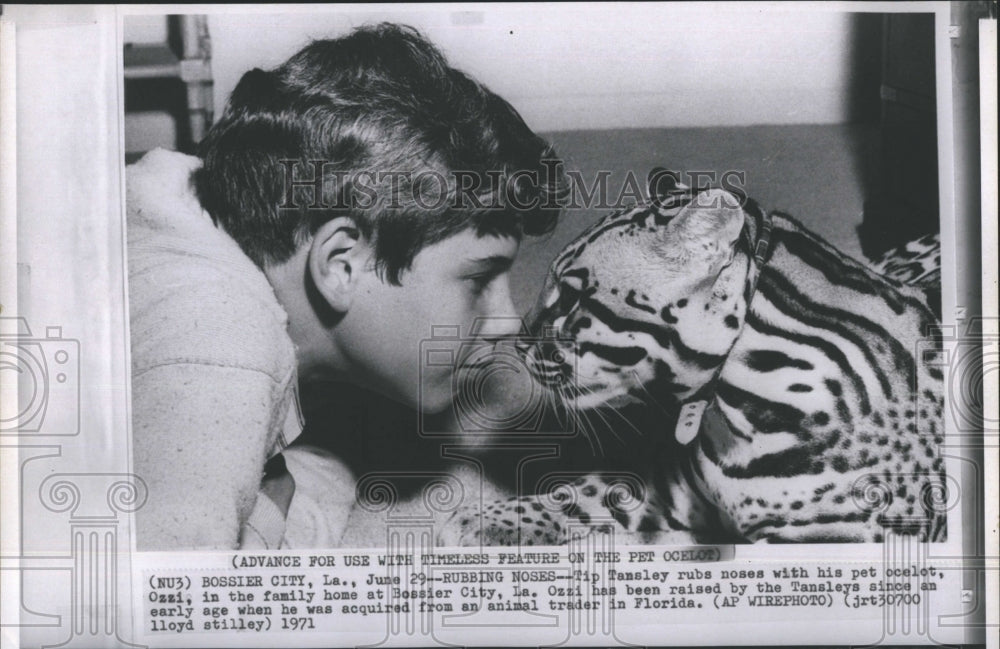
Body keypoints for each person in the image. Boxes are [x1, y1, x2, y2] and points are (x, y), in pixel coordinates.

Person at [128, 23, 566, 549]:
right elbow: (163, 610)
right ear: (340, 264)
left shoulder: (177, 199)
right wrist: (274, 503)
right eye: (479, 279)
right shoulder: (219, 350)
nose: (510, 322)